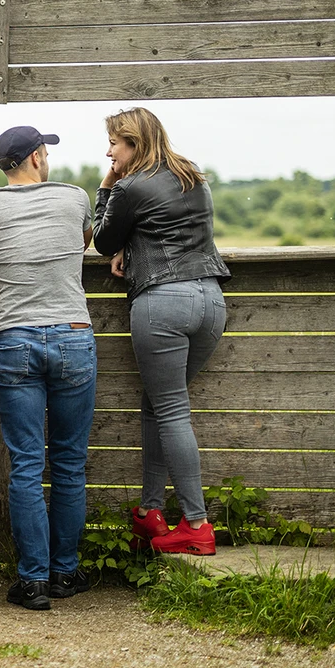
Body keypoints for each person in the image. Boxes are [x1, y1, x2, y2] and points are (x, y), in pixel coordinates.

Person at [0, 126, 97, 611]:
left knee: (25, 464)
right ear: (38, 157)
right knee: (68, 463)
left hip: (15, 338)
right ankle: (66, 572)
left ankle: (34, 581)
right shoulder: (74, 197)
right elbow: (84, 242)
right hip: (72, 333)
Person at [93, 107, 231, 556]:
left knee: (171, 410)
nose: (109, 150)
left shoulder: (131, 184)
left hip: (162, 302)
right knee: (157, 405)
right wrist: (135, 249)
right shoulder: (192, 176)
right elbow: (167, 230)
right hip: (210, 301)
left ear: (133, 143)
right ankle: (152, 511)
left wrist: (106, 186)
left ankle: (196, 524)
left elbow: (103, 240)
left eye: (115, 142)